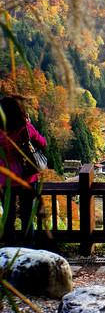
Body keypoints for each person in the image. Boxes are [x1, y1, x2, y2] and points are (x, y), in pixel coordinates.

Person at [0, 95, 47, 247]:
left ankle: (10, 248)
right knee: (27, 214)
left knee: (8, 216)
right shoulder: (25, 129)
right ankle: (29, 247)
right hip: (27, 176)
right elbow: (43, 143)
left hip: (4, 179)